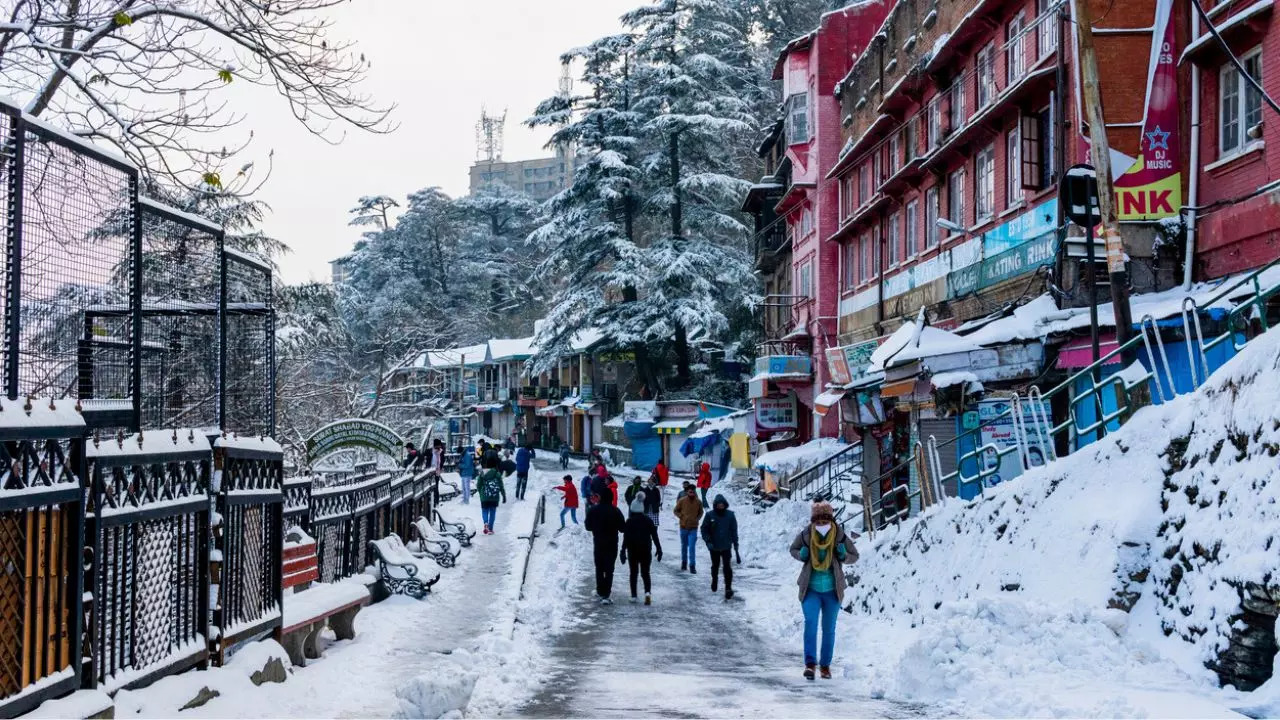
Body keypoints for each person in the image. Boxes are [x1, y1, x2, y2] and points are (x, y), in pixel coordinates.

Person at [789, 501, 859, 680]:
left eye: (825, 520)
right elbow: (793, 549)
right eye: (817, 520)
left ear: (831, 519)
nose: (820, 524)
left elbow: (854, 556)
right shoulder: (806, 534)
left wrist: (843, 555)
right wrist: (801, 555)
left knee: (829, 629)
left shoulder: (839, 535)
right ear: (813, 520)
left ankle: (825, 666)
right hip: (810, 589)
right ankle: (810, 664)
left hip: (832, 591)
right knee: (810, 625)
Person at [584, 487, 625, 604]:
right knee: (609, 569)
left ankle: (599, 590)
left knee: (599, 568)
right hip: (612, 544)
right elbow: (623, 528)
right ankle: (606, 594)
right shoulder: (616, 511)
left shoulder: (594, 510)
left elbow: (588, 527)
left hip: (598, 542)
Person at [621, 492, 663, 605]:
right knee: (645, 572)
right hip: (645, 549)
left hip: (632, 550)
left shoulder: (629, 521)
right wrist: (659, 549)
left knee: (633, 573)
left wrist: (622, 551)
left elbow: (626, 537)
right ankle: (647, 593)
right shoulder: (648, 520)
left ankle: (634, 595)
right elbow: (655, 535)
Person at [700, 494, 740, 600]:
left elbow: (733, 530)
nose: (721, 507)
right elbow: (704, 529)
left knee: (727, 567)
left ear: (725, 505)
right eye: (719, 505)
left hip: (726, 545)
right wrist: (708, 541)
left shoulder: (730, 516)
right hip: (714, 546)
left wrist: (735, 543)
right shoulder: (710, 515)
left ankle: (728, 588)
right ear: (715, 505)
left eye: (722, 505)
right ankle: (714, 579)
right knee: (715, 565)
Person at [673, 485, 704, 574]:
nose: (692, 493)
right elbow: (675, 510)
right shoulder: (682, 501)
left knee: (692, 547)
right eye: (690, 492)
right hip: (683, 527)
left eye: (693, 492)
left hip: (693, 528)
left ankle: (692, 566)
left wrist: (697, 519)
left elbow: (701, 512)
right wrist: (681, 516)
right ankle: (684, 562)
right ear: (687, 492)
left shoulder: (698, 502)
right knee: (684, 546)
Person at [476, 454, 507, 534]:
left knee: (485, 510)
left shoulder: (482, 473)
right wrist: (503, 495)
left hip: (484, 496)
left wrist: (480, 493)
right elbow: (501, 485)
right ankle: (490, 529)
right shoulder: (497, 473)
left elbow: (478, 485)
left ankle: (485, 523)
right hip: (494, 496)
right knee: (492, 512)